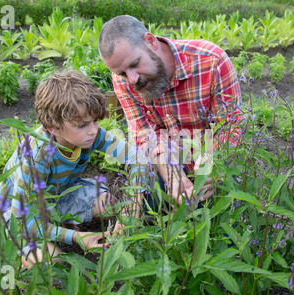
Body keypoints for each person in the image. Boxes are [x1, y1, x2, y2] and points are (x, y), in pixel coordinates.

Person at [0, 69, 146, 268]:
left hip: (58, 194)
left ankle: (59, 223)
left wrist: (133, 203)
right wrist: (76, 237)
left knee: (109, 205)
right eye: (83, 125)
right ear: (53, 126)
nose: (93, 130)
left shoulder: (92, 135)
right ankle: (20, 252)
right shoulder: (36, 157)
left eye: (95, 121)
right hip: (19, 213)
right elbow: (23, 221)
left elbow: (138, 158)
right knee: (53, 263)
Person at [98, 15, 243, 208]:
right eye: (123, 73)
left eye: (134, 64)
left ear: (150, 41)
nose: (132, 79)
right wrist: (170, 173)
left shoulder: (211, 61)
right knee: (150, 207)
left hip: (211, 162)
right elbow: (144, 134)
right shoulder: (123, 82)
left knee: (222, 223)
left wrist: (213, 162)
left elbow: (232, 125)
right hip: (168, 164)